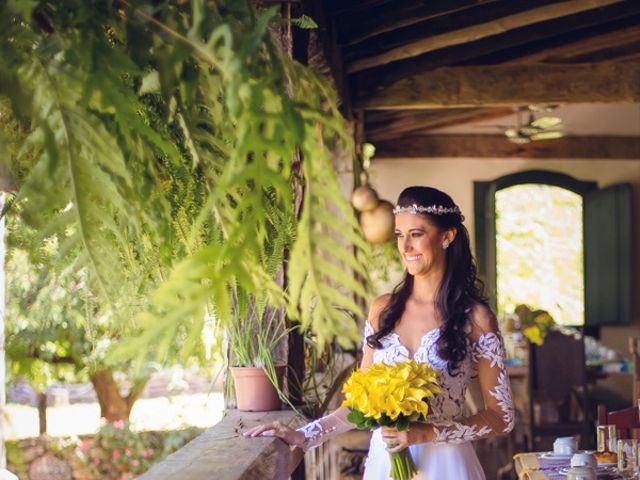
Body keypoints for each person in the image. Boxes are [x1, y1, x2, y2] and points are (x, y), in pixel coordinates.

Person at [244, 186, 515, 479]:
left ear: (447, 237)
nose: (405, 247)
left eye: (416, 234)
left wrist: (429, 433)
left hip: (446, 467)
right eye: (399, 235)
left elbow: (502, 418)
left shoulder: (476, 318)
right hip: (385, 465)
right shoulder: (382, 310)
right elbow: (360, 405)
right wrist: (305, 435)